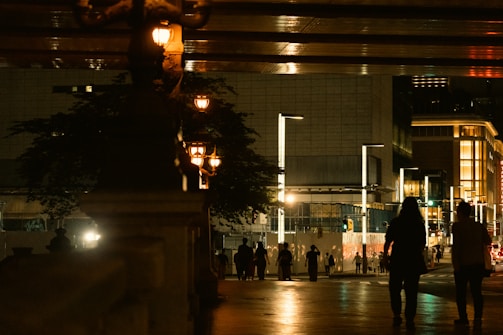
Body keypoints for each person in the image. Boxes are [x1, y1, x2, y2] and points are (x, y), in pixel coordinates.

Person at [383, 196, 427, 331]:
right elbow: (422, 243)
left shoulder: (396, 222)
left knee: (395, 288)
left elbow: (388, 242)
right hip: (413, 260)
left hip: (398, 259)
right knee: (411, 291)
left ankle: (397, 313)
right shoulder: (419, 224)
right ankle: (410, 318)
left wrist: (385, 257)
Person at [451, 201, 492, 328]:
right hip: (477, 263)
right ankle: (478, 317)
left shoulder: (457, 227)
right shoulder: (478, 226)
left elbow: (456, 247)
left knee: (461, 293)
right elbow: (488, 240)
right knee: (476, 292)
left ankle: (463, 317)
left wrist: (455, 264)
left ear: (460, 213)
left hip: (463, 264)